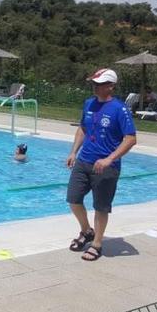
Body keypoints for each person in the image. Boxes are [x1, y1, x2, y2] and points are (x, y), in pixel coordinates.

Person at [66, 68, 136, 262]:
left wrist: (109, 159)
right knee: (73, 199)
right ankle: (86, 230)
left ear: (111, 86)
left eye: (99, 84)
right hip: (84, 161)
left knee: (101, 207)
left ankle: (96, 243)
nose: (95, 88)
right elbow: (83, 128)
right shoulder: (89, 104)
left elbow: (130, 139)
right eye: (94, 84)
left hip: (106, 166)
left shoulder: (120, 109)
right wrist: (73, 152)